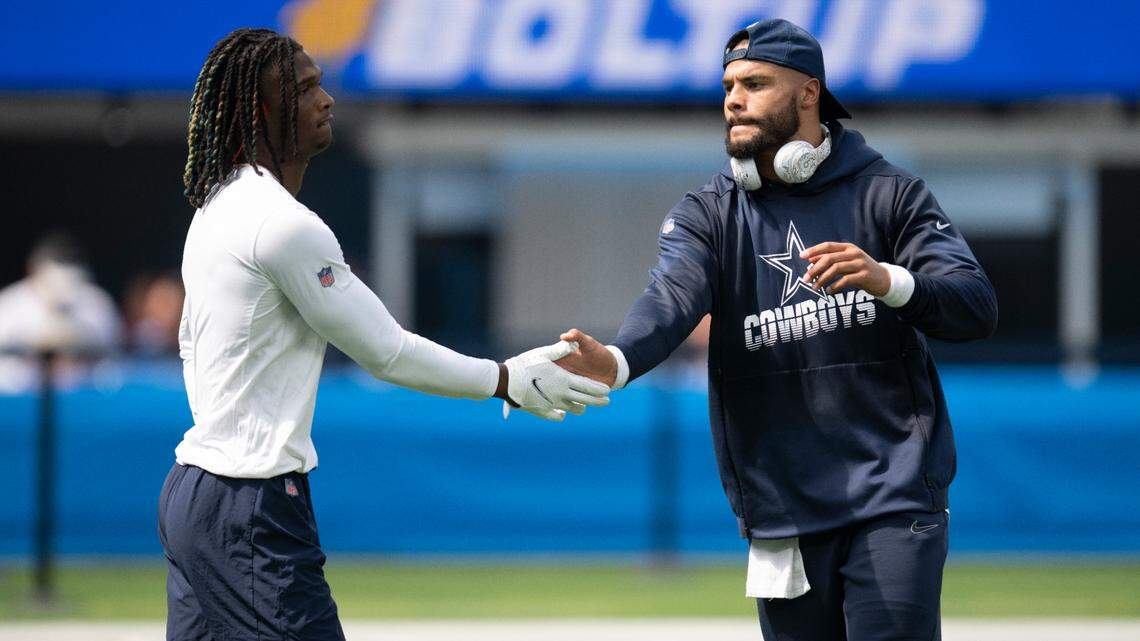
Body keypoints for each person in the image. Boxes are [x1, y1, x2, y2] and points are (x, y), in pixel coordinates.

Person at [159, 28, 609, 641]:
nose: (327, 100)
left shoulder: (215, 207)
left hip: (193, 491)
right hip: (251, 503)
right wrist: (503, 380)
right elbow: (387, 350)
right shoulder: (282, 225)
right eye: (307, 87)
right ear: (264, 108)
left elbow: (190, 343)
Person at [556, 19, 997, 641]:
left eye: (756, 83)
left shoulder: (891, 194)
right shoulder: (708, 213)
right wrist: (620, 360)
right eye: (729, 84)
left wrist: (888, 280)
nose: (733, 99)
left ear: (809, 93)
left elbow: (975, 305)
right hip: (781, 509)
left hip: (893, 495)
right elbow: (673, 295)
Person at [0, 233, 121, 393]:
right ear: (33, 269)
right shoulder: (9, 305)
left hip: (84, 399)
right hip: (23, 399)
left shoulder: (98, 303)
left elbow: (112, 365)